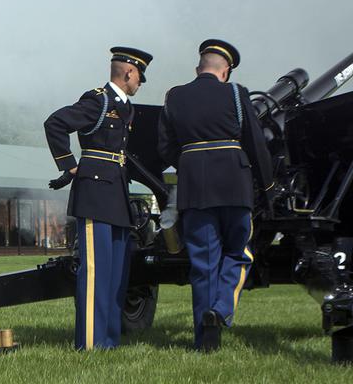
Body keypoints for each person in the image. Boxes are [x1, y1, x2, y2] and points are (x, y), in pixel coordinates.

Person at [157, 39, 273, 352]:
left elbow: (165, 147)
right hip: (235, 186)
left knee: (203, 264)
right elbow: (255, 143)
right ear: (225, 72)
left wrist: (188, 164)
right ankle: (221, 309)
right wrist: (269, 187)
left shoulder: (174, 96)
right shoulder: (237, 93)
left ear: (199, 68)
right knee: (238, 253)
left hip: (194, 190)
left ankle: (205, 342)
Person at [44, 46, 153, 350]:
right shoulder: (99, 101)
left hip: (116, 191)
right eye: (140, 77)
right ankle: (91, 343)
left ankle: (109, 340)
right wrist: (69, 165)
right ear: (129, 72)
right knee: (95, 271)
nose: (140, 83)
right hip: (94, 191)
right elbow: (55, 123)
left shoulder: (124, 105)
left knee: (117, 272)